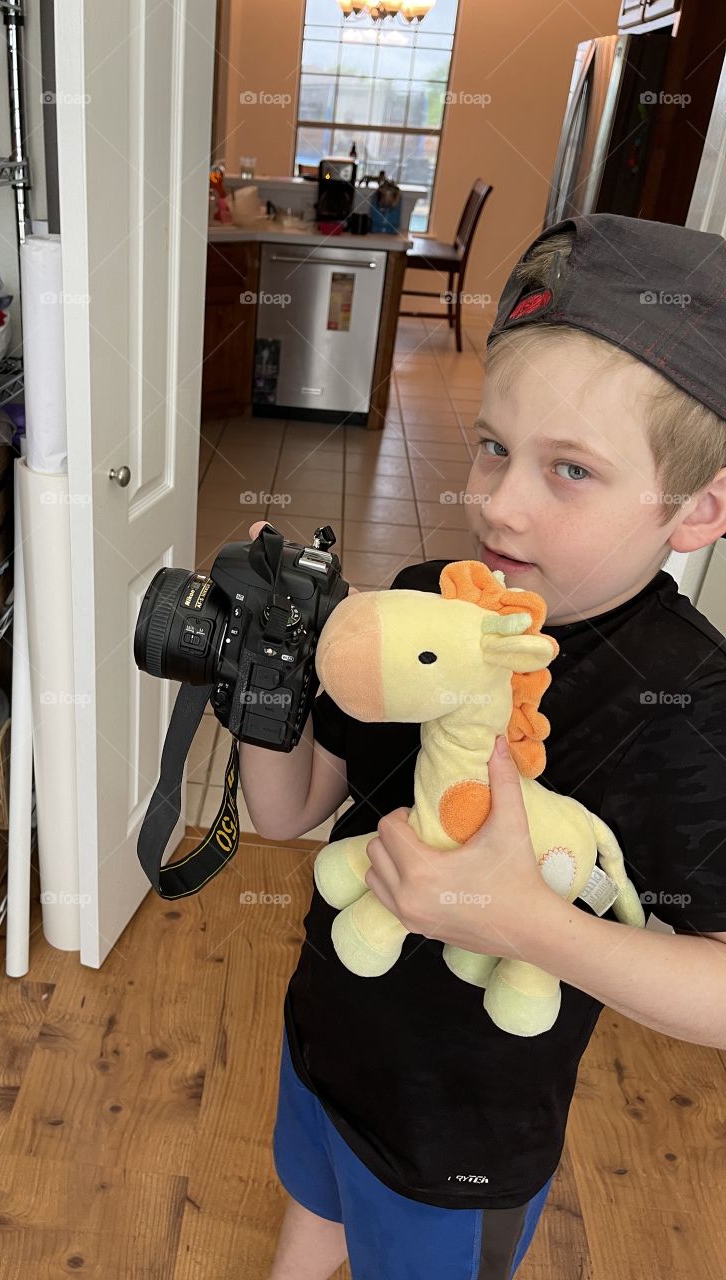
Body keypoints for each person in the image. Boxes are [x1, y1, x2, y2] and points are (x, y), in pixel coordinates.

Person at [238, 212, 726, 1280]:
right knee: (314, 1188)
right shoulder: (427, 604)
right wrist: (261, 682)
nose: (496, 503)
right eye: (496, 446)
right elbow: (289, 810)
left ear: (696, 509)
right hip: (326, 1035)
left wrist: (523, 922)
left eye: (571, 471)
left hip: (461, 1135)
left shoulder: (692, 703)